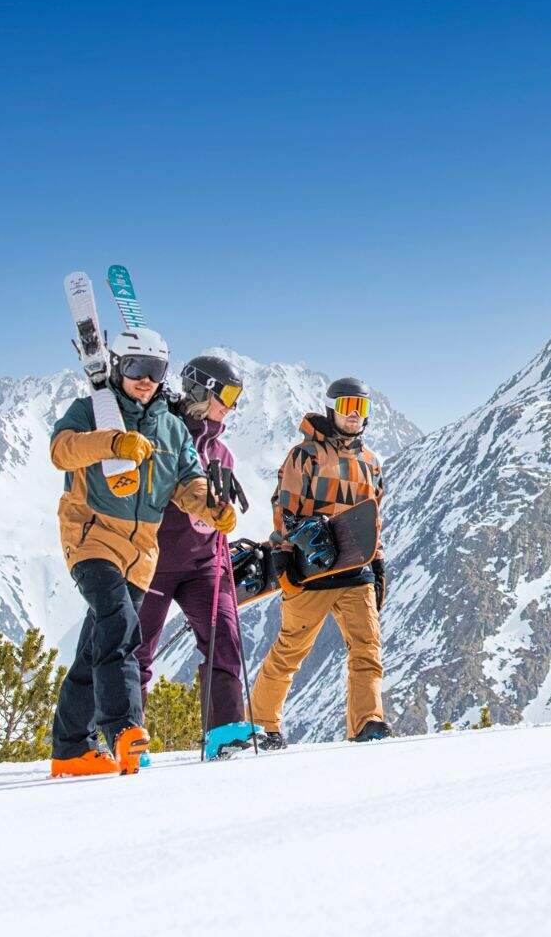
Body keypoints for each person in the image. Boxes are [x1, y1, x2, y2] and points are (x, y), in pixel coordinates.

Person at [47, 329, 238, 777]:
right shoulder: (92, 410)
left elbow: (187, 481)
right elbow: (62, 450)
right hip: (91, 537)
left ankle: (70, 748)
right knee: (119, 625)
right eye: (136, 368)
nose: (145, 379)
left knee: (96, 647)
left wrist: (211, 507)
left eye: (155, 371)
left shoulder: (170, 428)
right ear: (117, 367)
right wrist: (113, 443)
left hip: (139, 552)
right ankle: (124, 730)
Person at [248, 377, 390, 745]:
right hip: (311, 570)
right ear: (332, 410)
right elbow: (285, 510)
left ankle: (367, 723)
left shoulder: (370, 462)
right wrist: (285, 557)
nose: (355, 415)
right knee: (290, 650)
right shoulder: (305, 455)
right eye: (347, 406)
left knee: (367, 649)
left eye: (362, 408)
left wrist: (377, 564)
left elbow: (372, 518)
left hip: (355, 569)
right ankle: (262, 725)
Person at [133, 354, 255, 760]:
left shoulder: (222, 452)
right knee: (138, 648)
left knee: (225, 635)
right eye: (228, 395)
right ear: (203, 390)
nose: (232, 406)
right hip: (155, 559)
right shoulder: (163, 434)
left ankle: (223, 730)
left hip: (205, 562)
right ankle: (126, 734)